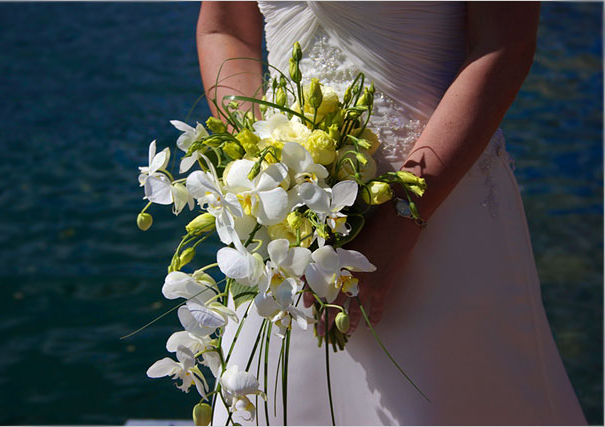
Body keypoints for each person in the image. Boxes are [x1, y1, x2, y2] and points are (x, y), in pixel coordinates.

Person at [196, 2, 587, 425]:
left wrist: (401, 221)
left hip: (440, 210)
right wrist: (261, 169)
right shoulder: (273, 193)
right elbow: (224, 28)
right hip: (284, 233)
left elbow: (504, 43)